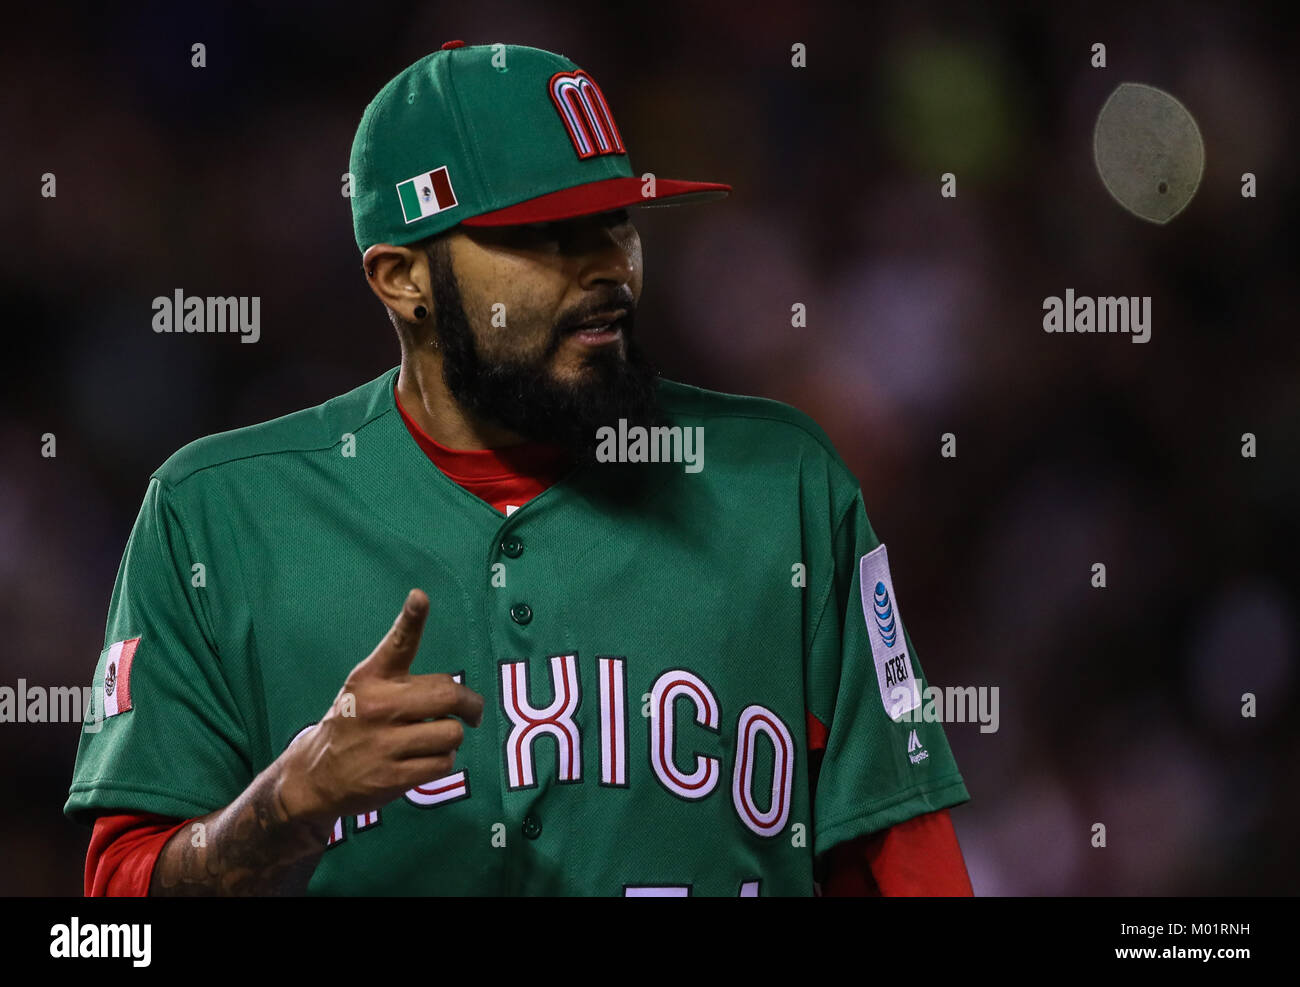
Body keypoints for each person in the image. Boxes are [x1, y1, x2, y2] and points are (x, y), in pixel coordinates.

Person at [67, 42, 973, 896]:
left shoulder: (783, 487)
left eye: (614, 221)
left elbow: (906, 865)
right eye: (545, 235)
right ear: (400, 278)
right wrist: (280, 808)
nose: (609, 267)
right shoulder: (218, 518)